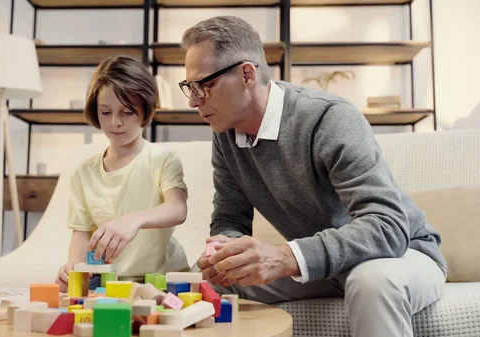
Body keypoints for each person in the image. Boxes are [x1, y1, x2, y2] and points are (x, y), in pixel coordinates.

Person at [180, 16, 447, 337]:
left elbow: (387, 227)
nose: (194, 101)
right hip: (323, 265)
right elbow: (229, 217)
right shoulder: (225, 132)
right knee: (205, 283)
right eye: (189, 88)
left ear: (247, 74)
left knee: (371, 282)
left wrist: (285, 256)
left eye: (203, 86)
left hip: (400, 253)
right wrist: (228, 250)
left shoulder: (329, 117)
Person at [55, 56, 189, 292]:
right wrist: (73, 269)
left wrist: (133, 220)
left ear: (145, 109)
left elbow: (177, 209)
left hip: (163, 280)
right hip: (111, 282)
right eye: (105, 112)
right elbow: (81, 234)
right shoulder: (83, 173)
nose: (115, 122)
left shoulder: (163, 159)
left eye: (127, 112)